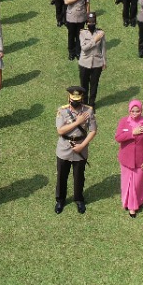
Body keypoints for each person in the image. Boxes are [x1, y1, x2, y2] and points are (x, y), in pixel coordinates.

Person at [54, 86, 97, 214]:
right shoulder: (62, 111)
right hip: (64, 147)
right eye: (73, 99)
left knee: (79, 176)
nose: (75, 102)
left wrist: (82, 146)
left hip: (81, 146)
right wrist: (77, 122)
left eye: (77, 99)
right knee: (62, 176)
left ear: (82, 98)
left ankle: (79, 199)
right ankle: (60, 200)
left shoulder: (88, 111)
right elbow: (60, 130)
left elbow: (93, 130)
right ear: (69, 98)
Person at [115, 100, 143, 217]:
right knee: (126, 183)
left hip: (140, 161)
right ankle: (131, 206)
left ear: (141, 111)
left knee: (138, 183)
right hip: (126, 160)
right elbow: (118, 137)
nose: (135, 113)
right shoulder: (123, 122)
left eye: (137, 111)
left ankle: (137, 202)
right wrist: (132, 133)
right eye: (132, 111)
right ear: (129, 111)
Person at [77, 12, 105, 107]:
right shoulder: (82, 33)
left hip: (97, 63)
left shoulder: (100, 33)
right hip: (84, 63)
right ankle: (84, 104)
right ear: (86, 22)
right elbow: (84, 48)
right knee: (84, 85)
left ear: (96, 22)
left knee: (94, 85)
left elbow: (103, 48)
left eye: (93, 22)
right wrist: (95, 40)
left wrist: (104, 61)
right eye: (89, 22)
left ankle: (91, 104)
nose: (91, 23)